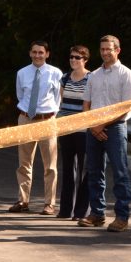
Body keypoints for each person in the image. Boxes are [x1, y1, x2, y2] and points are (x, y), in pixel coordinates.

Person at [77, 35, 131, 232]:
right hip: (93, 129)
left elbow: (126, 107)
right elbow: (86, 103)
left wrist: (102, 125)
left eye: (108, 49)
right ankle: (97, 213)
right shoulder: (94, 75)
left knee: (120, 172)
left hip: (115, 128)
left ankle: (122, 216)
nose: (105, 53)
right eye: (102, 49)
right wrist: (93, 125)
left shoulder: (126, 75)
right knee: (94, 172)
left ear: (117, 50)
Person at [10, 41, 62, 215]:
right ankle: (23, 201)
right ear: (30, 53)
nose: (38, 55)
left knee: (50, 166)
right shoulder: (22, 73)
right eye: (34, 52)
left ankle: (49, 203)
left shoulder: (55, 73)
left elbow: (58, 98)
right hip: (25, 118)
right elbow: (21, 95)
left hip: (47, 120)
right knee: (24, 164)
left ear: (47, 54)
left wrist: (50, 115)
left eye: (41, 52)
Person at [56, 45, 91, 220]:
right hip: (66, 128)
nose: (74, 60)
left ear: (85, 59)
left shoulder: (91, 78)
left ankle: (81, 211)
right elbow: (61, 102)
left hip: (84, 130)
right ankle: (65, 210)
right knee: (68, 169)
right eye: (71, 57)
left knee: (86, 170)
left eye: (78, 57)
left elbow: (91, 103)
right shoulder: (65, 78)